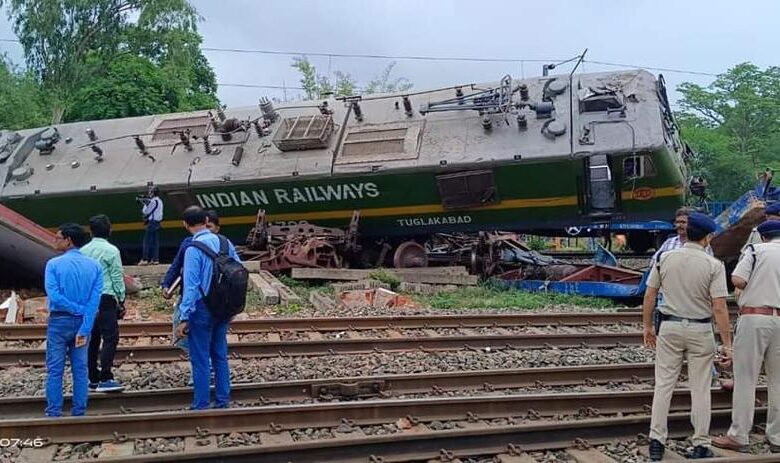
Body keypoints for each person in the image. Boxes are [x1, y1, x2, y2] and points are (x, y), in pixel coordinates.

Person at [642, 212, 732, 460]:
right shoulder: (714, 265)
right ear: (707, 238)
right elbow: (719, 307)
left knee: (664, 384)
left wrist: (647, 326)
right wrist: (727, 344)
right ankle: (701, 443)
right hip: (700, 329)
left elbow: (650, 295)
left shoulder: (665, 258)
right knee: (700, 388)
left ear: (687, 232)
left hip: (669, 327)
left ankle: (656, 441)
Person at [713, 220, 780, 453]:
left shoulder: (755, 250)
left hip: (755, 317)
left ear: (763, 236)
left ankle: (739, 435)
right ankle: (777, 436)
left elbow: (738, 280)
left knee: (745, 378)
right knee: (778, 381)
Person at [176, 206, 240, 409]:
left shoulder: (193, 249)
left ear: (185, 224)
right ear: (205, 220)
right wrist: (233, 308)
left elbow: (191, 286)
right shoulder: (225, 242)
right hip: (224, 307)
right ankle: (223, 401)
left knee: (201, 358)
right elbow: (239, 273)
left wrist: (184, 316)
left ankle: (201, 404)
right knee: (220, 356)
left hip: (202, 309)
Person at [44, 223, 103, 417]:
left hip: (59, 323)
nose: (55, 240)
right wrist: (85, 324)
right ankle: (79, 411)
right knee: (80, 369)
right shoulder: (95, 266)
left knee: (55, 369)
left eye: (58, 237)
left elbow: (54, 296)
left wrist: (76, 309)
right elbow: (94, 301)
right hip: (82, 324)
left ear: (68, 241)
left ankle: (54, 411)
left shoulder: (53, 265)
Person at [80, 215, 126, 393]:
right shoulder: (111, 250)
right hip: (105, 297)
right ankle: (106, 377)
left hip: (87, 298)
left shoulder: (82, 251)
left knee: (92, 338)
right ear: (109, 230)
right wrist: (121, 299)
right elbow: (116, 276)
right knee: (110, 337)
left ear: (90, 231)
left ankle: (93, 377)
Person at [139, 186, 163, 265]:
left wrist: (145, 204)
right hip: (157, 222)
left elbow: (146, 211)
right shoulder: (160, 201)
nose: (149, 193)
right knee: (155, 242)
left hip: (152, 223)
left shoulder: (153, 201)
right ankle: (155, 259)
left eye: (150, 192)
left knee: (147, 241)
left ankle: (145, 259)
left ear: (153, 193)